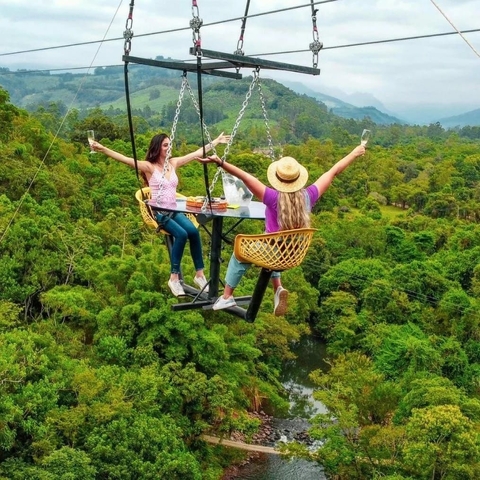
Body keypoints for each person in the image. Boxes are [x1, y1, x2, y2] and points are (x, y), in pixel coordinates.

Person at [198, 144, 366, 316]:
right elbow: (333, 171)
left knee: (239, 253)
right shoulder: (309, 195)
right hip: (292, 254)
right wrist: (353, 153)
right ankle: (278, 288)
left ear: (278, 179)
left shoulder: (273, 197)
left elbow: (246, 178)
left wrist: (221, 163)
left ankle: (227, 296)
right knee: (273, 243)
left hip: (272, 253)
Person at [91, 132, 230, 297]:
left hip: (174, 210)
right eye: (165, 145)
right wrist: (103, 149)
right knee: (182, 234)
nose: (169, 147)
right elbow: (126, 159)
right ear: (157, 148)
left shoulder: (173, 163)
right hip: (160, 213)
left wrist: (216, 141)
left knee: (193, 231)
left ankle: (199, 275)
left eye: (170, 144)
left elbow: (197, 153)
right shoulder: (150, 167)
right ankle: (173, 278)